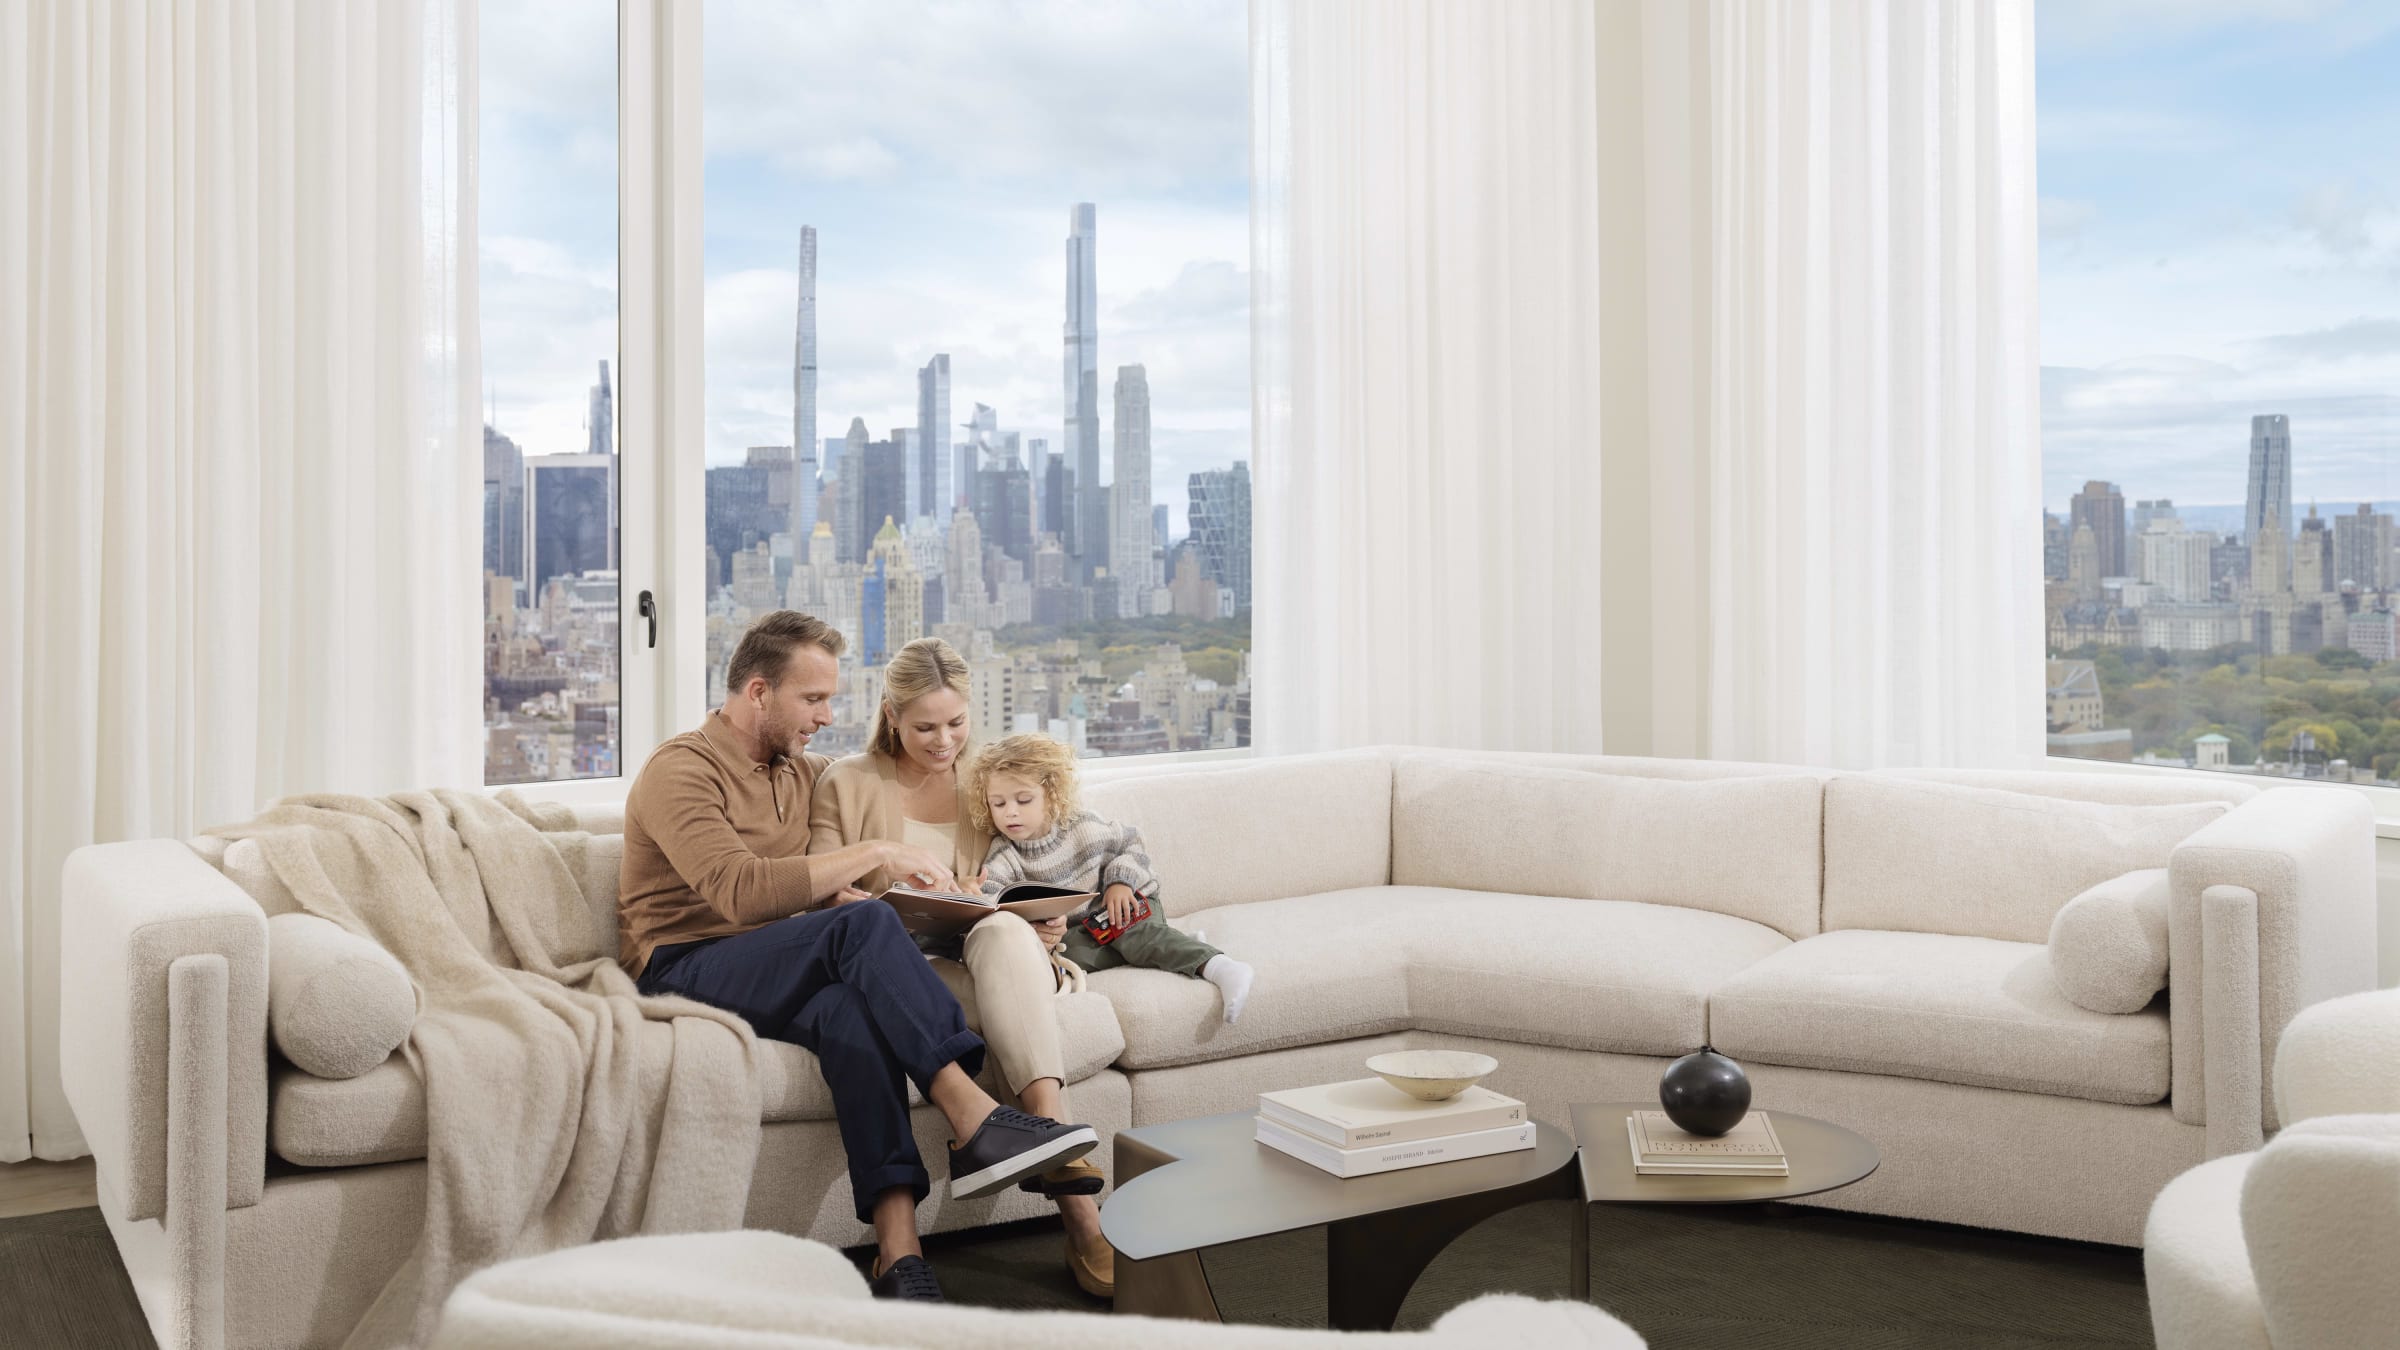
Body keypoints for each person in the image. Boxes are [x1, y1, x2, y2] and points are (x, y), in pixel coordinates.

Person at [620, 611, 1096, 1304]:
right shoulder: (680, 769)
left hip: (771, 959)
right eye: (812, 699)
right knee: (863, 925)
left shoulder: (798, 771)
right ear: (758, 692)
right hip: (681, 963)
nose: (826, 714)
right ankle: (972, 1115)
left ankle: (897, 1254)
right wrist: (875, 855)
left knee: (851, 1014)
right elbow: (737, 892)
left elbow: (853, 817)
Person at [809, 638, 1117, 1300]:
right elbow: (819, 888)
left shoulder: (991, 781)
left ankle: (1049, 1139)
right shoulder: (847, 782)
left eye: (956, 723)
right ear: (891, 715)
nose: (943, 741)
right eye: (925, 727)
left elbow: (1030, 874)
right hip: (902, 975)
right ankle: (1081, 1211)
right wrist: (857, 896)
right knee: (1006, 986)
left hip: (990, 954)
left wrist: (1041, 918)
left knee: (1006, 933)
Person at [968, 733, 1255, 1022]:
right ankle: (1170, 945)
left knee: (1132, 935)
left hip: (1130, 905)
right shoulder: (1004, 854)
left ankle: (1220, 966)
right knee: (1070, 957)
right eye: (999, 804)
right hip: (1088, 930)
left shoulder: (1082, 826)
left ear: (1052, 796)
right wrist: (1028, 925)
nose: (1011, 812)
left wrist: (1120, 882)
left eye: (1024, 800)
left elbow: (1131, 842)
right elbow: (993, 899)